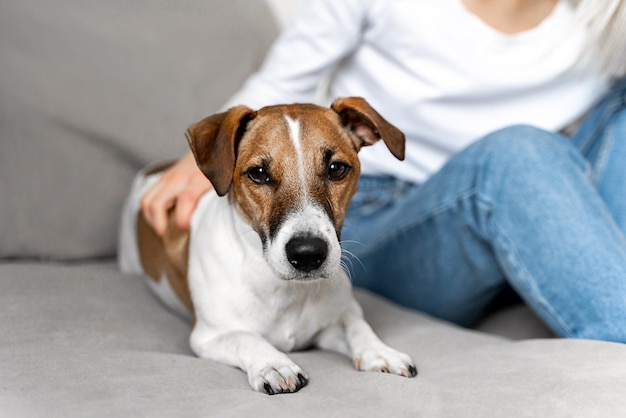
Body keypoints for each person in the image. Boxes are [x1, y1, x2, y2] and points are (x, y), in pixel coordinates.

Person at [141, 0, 626, 342]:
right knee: (519, 153)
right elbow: (281, 84)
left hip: (533, 217)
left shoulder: (603, 14)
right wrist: (203, 164)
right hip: (387, 217)